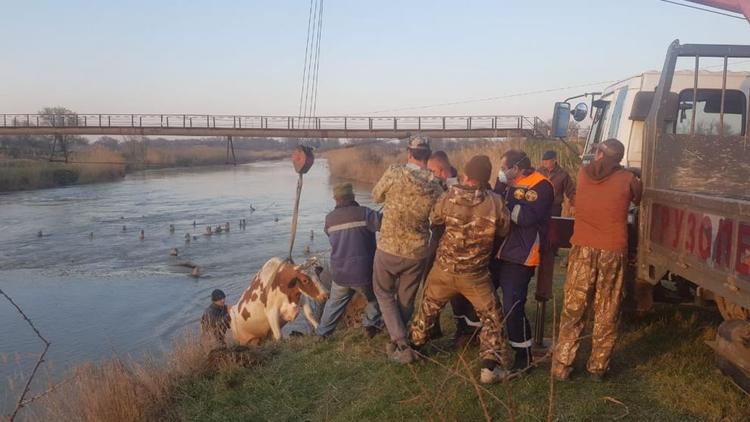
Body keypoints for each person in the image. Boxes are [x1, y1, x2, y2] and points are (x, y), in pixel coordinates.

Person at [411, 155, 512, 384]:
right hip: (475, 275)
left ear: (465, 176)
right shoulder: (496, 202)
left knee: (427, 307)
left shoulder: (448, 197)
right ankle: (489, 368)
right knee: (492, 317)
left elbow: (434, 221)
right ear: (486, 179)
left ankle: (414, 347)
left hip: (444, 270)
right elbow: (504, 231)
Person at [551, 138, 642, 381]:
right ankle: (598, 368)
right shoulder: (628, 179)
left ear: (600, 154)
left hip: (582, 247)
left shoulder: (582, 173)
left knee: (574, 307)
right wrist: (629, 173)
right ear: (619, 159)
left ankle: (562, 365)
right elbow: (638, 198)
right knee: (607, 307)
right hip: (613, 250)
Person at [372, 134, 443, 363]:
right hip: (417, 252)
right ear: (428, 156)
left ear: (409, 153)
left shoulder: (395, 172)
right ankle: (400, 342)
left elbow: (375, 197)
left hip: (388, 248)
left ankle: (401, 342)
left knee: (383, 293)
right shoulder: (435, 184)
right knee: (406, 299)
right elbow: (439, 216)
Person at [492, 149, 554, 372]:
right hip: (500, 250)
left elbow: (526, 217)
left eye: (503, 168)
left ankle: (523, 354)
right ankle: (488, 345)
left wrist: (504, 204)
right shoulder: (508, 183)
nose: (501, 172)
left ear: (516, 168)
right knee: (484, 296)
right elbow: (493, 202)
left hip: (522, 254)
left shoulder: (541, 185)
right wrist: (500, 192)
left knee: (512, 305)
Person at [426, 150, 481, 347]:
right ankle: (433, 328)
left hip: (458, 245)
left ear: (441, 170)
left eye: (432, 170)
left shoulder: (463, 184)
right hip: (436, 242)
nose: (430, 174)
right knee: (430, 286)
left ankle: (465, 331)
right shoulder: (432, 185)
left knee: (459, 293)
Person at [316, 183, 384, 339]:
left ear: (335, 198)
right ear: (352, 196)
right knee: (378, 297)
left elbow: (329, 234)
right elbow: (385, 224)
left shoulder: (329, 219)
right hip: (364, 273)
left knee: (333, 305)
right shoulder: (365, 213)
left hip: (340, 274)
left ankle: (322, 334)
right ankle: (370, 326)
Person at [538, 150, 575, 217]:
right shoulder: (539, 172)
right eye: (543, 160)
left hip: (554, 208)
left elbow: (571, 191)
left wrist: (573, 205)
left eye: (547, 160)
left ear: (554, 160)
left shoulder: (563, 174)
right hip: (540, 205)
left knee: (553, 226)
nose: (544, 162)